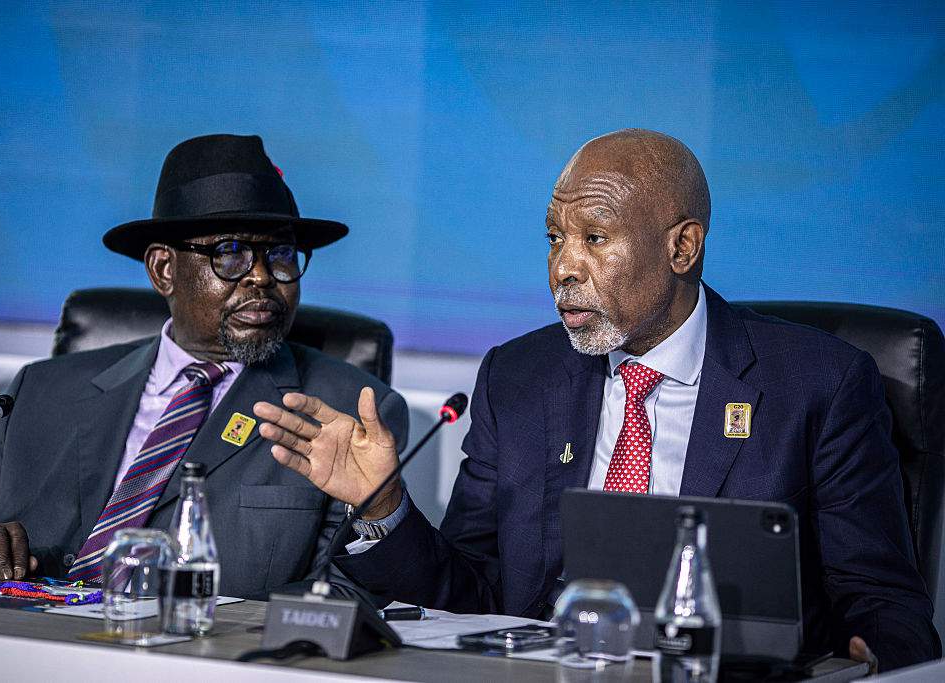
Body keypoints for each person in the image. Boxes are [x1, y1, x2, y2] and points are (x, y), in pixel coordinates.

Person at [253, 129, 940, 670]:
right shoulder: (518, 378)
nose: (563, 266)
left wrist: (877, 659)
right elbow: (469, 596)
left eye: (595, 238)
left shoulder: (816, 383)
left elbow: (882, 602)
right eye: (554, 238)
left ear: (682, 246)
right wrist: (382, 507)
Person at [0, 134, 408, 599]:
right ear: (164, 270)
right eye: (230, 253)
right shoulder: (38, 392)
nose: (262, 276)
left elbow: (344, 595)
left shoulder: (346, 410)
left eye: (280, 254)